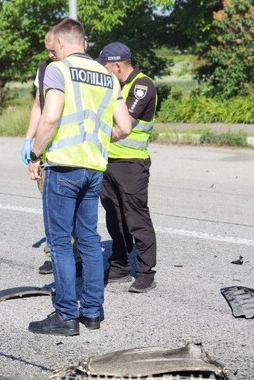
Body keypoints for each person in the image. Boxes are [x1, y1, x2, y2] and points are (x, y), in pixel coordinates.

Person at [26, 18, 132, 336]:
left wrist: (34, 152)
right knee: (88, 240)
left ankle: (66, 316)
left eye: (53, 48)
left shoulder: (58, 70)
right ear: (83, 42)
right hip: (94, 167)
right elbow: (125, 127)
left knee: (60, 243)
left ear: (60, 43)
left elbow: (51, 116)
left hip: (64, 167)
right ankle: (93, 312)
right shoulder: (107, 76)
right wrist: (99, 140)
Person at [96, 42, 158, 293]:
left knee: (136, 218)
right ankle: (120, 264)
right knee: (115, 218)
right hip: (108, 162)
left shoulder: (142, 85)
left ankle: (145, 272)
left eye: (106, 67)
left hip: (131, 164)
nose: (103, 71)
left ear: (118, 65)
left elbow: (125, 123)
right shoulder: (116, 86)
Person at [22, 29, 82, 275]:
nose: (49, 53)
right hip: (47, 149)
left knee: (75, 207)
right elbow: (39, 105)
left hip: (73, 148)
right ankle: (52, 253)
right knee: (51, 205)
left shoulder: (74, 69)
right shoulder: (45, 69)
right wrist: (29, 140)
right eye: (46, 49)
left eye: (52, 48)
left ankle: (76, 255)